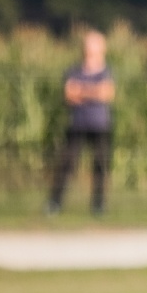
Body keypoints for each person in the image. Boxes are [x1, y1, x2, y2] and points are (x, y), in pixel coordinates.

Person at [47, 30, 116, 217]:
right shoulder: (74, 70)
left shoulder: (106, 71)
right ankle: (55, 203)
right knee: (67, 164)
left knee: (100, 165)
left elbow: (106, 94)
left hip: (100, 125)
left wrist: (82, 91)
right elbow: (70, 94)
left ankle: (98, 205)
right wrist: (93, 92)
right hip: (77, 124)